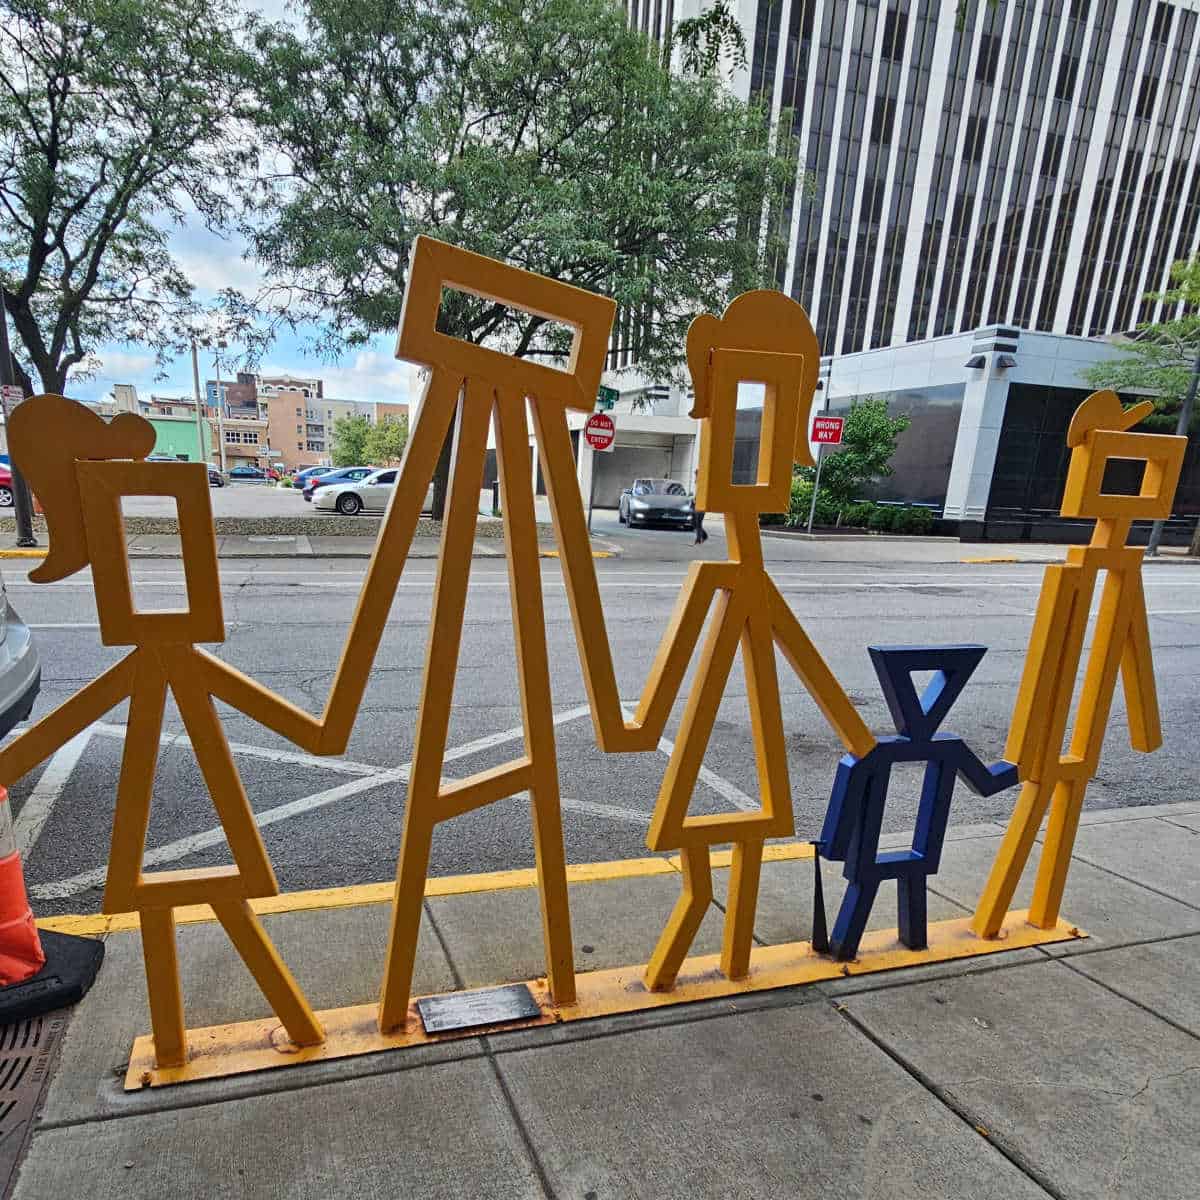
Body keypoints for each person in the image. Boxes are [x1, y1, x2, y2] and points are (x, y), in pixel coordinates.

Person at [692, 473, 708, 544]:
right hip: (696, 504)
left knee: (698, 522)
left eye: (696, 477)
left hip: (701, 505)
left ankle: (698, 539)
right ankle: (704, 536)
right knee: (693, 522)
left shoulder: (703, 483)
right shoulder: (698, 484)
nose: (695, 480)